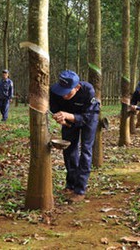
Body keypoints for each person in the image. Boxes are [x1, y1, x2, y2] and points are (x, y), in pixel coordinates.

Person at [50, 70, 100, 202]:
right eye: (62, 91)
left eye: (67, 92)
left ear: (77, 88)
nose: (64, 95)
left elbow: (88, 117)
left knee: (85, 150)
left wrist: (69, 116)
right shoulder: (55, 91)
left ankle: (80, 189)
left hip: (88, 118)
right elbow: (54, 108)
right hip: (68, 119)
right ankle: (71, 184)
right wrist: (59, 118)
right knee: (69, 150)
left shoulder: (88, 91)